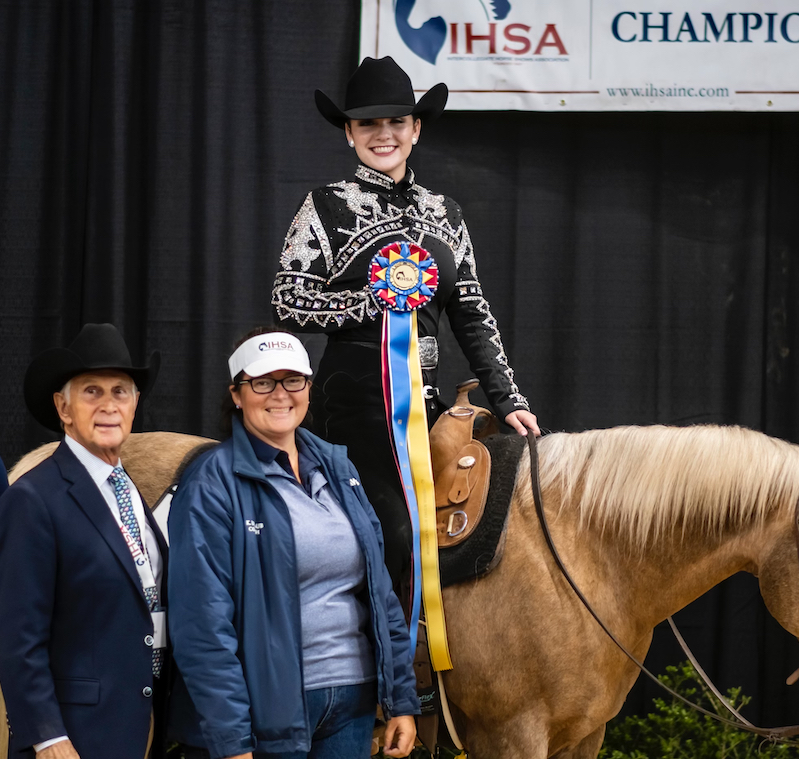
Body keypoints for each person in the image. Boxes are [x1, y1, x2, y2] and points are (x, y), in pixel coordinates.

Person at [271, 56, 539, 591]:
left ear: (416, 129)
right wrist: (374, 301)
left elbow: (472, 315)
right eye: (368, 123)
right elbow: (288, 300)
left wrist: (509, 401)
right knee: (395, 533)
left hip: (427, 409)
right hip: (350, 414)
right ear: (349, 133)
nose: (383, 134)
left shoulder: (447, 214)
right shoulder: (326, 207)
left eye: (396, 121)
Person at [167, 328, 419, 759]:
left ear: (308, 387)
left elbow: (379, 594)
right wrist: (231, 739)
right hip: (266, 713)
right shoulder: (212, 482)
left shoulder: (340, 470)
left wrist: (400, 700)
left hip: (352, 706)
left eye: (292, 380)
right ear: (237, 394)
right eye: (262, 382)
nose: (279, 394)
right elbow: (201, 623)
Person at [0, 323, 167, 759]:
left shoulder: (128, 490)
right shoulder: (31, 500)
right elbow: (16, 636)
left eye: (120, 392)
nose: (109, 405)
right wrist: (47, 738)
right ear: (63, 408)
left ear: (135, 403)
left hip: (138, 726)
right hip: (74, 739)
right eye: (92, 392)